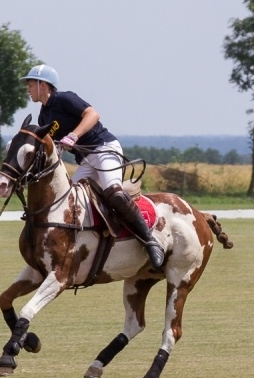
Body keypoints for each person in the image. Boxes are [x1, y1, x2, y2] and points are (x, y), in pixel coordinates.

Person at [20, 64, 165, 271]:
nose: (28, 88)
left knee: (114, 193)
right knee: (70, 203)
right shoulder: (44, 115)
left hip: (104, 148)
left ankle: (150, 241)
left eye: (30, 83)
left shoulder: (64, 99)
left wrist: (73, 135)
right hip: (86, 160)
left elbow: (93, 114)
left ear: (43, 85)